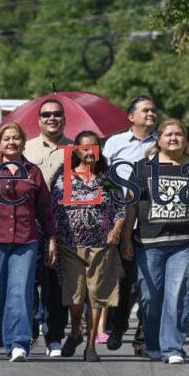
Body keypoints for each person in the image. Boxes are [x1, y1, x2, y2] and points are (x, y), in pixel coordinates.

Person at [0, 122, 56, 362]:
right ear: (0, 144)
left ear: (23, 142)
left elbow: (46, 210)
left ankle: (18, 343)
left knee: (21, 292)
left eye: (16, 138)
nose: (12, 142)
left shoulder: (33, 172)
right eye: (7, 138)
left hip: (26, 241)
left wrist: (51, 239)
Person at [123, 119, 189, 364]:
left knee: (178, 296)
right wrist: (126, 238)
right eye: (169, 134)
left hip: (185, 242)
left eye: (179, 134)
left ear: (185, 139)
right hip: (149, 244)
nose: (174, 138)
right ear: (159, 139)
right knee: (149, 297)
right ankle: (153, 342)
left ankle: (173, 348)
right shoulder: (142, 168)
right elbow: (131, 206)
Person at [50, 130, 125, 362]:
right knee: (74, 295)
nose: (89, 151)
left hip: (100, 245)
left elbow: (120, 209)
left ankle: (91, 345)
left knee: (96, 295)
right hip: (69, 245)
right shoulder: (63, 177)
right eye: (84, 148)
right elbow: (51, 210)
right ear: (76, 150)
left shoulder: (108, 178)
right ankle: (75, 331)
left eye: (94, 147)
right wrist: (51, 240)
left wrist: (116, 229)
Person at [102, 95, 157, 355]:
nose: (151, 114)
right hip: (119, 220)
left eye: (153, 110)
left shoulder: (161, 144)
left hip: (151, 221)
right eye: (145, 110)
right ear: (131, 116)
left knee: (149, 283)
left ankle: (142, 340)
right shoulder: (115, 143)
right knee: (124, 281)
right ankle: (118, 324)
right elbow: (102, 176)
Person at [22, 99, 73, 357]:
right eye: (46, 115)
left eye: (57, 114)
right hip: (30, 225)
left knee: (57, 285)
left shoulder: (76, 150)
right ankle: (29, 331)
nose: (52, 118)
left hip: (66, 227)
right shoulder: (26, 149)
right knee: (28, 282)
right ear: (39, 120)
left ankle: (54, 335)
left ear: (64, 119)